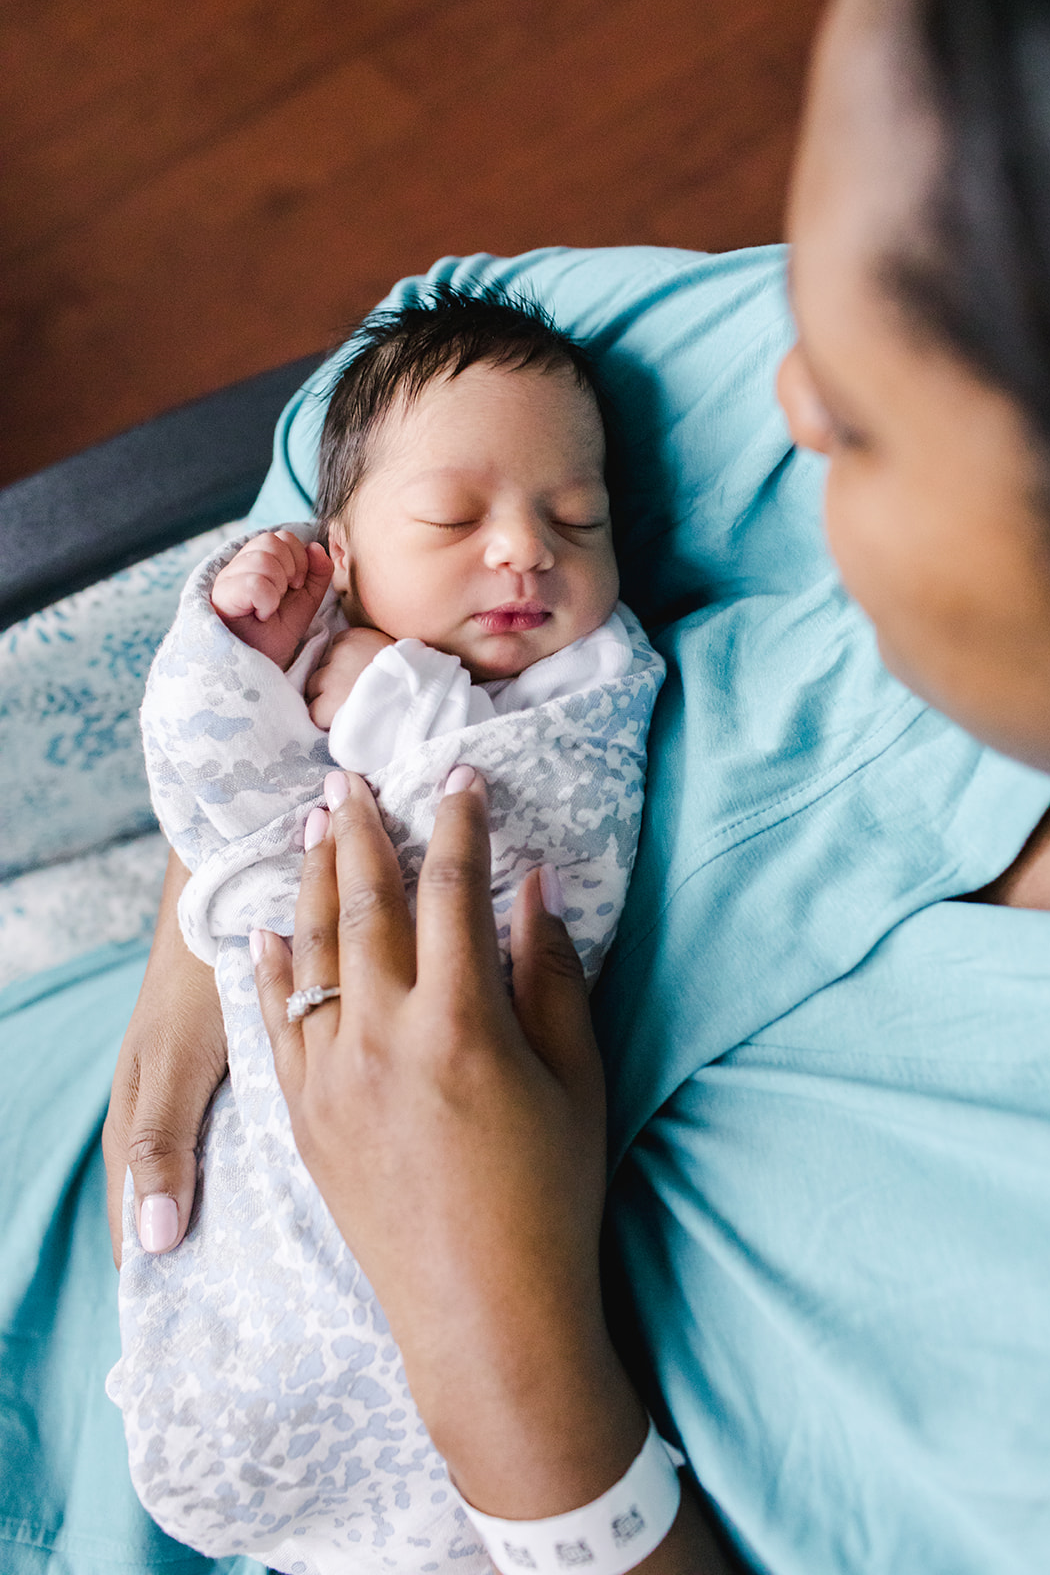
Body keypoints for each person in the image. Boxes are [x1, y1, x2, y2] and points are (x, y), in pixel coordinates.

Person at [104, 0, 1050, 1570]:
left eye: (873, 405)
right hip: (137, 1209)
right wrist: (229, 866)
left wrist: (508, 1374)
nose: (788, 393)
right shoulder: (984, 216)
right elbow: (420, 357)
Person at [107, 290, 664, 1574]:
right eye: (455, 520)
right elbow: (207, 797)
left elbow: (534, 850)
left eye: (577, 520)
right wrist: (235, 651)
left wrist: (398, 700)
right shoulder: (315, 652)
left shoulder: (590, 685)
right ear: (340, 550)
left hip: (473, 1134)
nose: (527, 551)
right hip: (267, 1093)